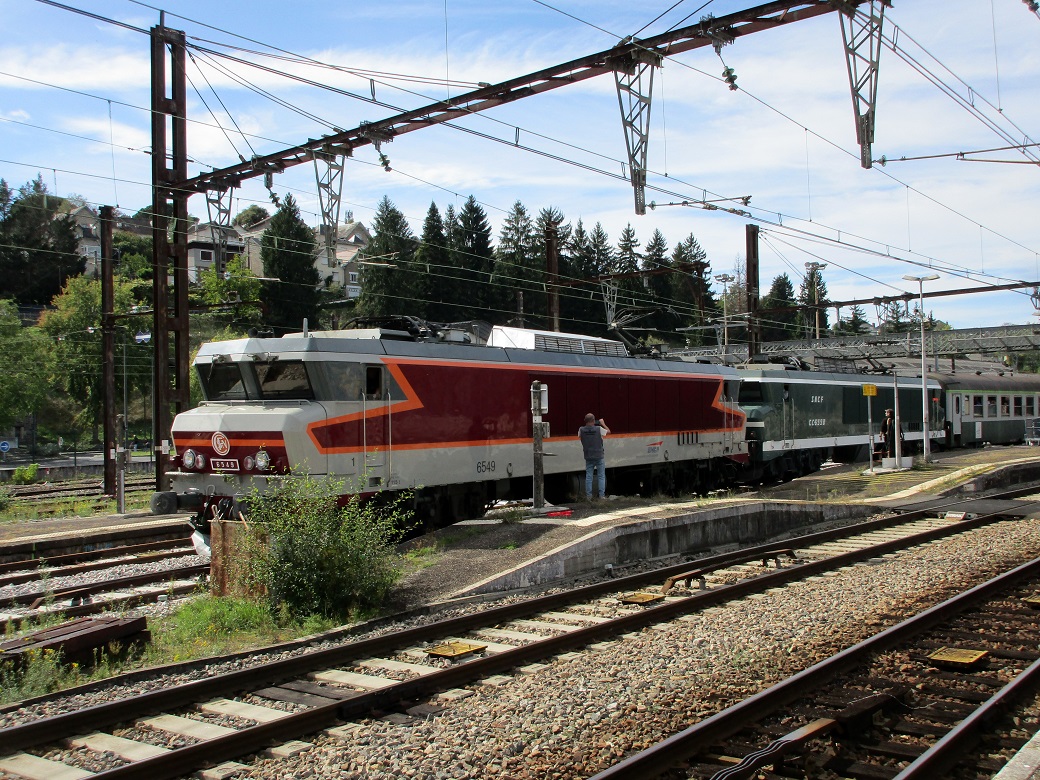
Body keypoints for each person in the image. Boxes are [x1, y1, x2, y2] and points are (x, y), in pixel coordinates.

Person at [578, 413, 610, 500]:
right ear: (593, 421)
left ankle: (589, 496)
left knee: (589, 477)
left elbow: (580, 438)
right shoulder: (598, 429)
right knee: (601, 476)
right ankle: (601, 496)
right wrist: (602, 423)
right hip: (599, 455)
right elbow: (609, 431)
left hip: (588, 456)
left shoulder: (581, 429)